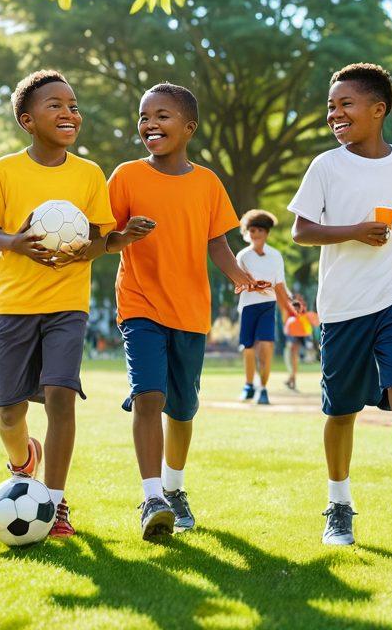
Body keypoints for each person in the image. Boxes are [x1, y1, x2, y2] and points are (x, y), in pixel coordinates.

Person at [289, 62, 392, 557]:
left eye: (346, 104)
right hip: (343, 307)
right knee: (341, 411)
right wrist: (355, 231)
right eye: (331, 107)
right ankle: (338, 504)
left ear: (378, 109)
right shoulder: (326, 166)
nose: (334, 114)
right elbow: (301, 231)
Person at [106, 82, 267, 541]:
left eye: (162, 116)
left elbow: (217, 243)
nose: (150, 124)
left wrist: (239, 275)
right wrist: (125, 236)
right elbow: (104, 239)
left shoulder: (208, 183)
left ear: (189, 127)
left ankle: (174, 489)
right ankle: (152, 496)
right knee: (148, 396)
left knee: (182, 411)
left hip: (191, 311)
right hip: (139, 303)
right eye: (144, 117)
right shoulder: (126, 177)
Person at [0, 69, 117, 540]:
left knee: (60, 396)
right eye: (55, 105)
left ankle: (54, 502)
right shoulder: (5, 169)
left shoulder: (89, 174)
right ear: (27, 120)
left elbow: (99, 241)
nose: (68, 112)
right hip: (14, 304)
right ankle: (22, 459)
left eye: (73, 105)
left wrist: (92, 249)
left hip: (68, 304)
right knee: (9, 412)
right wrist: (15, 242)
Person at [235, 209, 304, 405]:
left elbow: (280, 284)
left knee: (266, 346)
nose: (255, 234)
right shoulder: (243, 256)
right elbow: (238, 282)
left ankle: (263, 389)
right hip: (248, 306)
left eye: (259, 230)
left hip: (268, 306)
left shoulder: (275, 256)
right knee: (248, 348)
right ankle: (248, 385)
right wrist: (250, 285)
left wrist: (291, 300)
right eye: (252, 230)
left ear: (266, 233)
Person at [282, 294, 317, 390]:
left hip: (298, 333)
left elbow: (287, 319)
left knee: (293, 356)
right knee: (293, 357)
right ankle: (292, 379)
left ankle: (292, 378)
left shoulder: (294, 308)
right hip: (298, 333)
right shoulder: (297, 307)